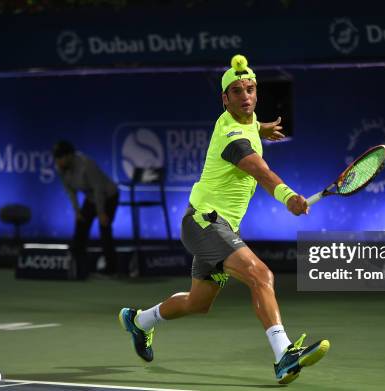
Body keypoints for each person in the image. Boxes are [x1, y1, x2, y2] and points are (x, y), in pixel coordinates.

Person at [118, 55, 330, 385]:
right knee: (261, 275)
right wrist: (288, 196)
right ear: (225, 99)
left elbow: (249, 125)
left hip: (216, 226)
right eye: (236, 91)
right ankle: (284, 355)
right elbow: (260, 171)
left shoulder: (245, 121)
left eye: (250, 89)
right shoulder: (233, 136)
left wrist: (262, 127)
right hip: (205, 223)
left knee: (197, 302)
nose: (245, 95)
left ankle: (140, 321)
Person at [53, 141, 119, 277]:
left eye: (60, 157)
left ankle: (111, 269)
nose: (58, 161)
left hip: (108, 196)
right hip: (90, 198)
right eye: (56, 157)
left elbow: (98, 188)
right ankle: (78, 266)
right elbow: (70, 191)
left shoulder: (86, 164)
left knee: (104, 227)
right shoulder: (60, 169)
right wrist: (77, 210)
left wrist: (101, 213)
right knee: (80, 225)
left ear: (70, 156)